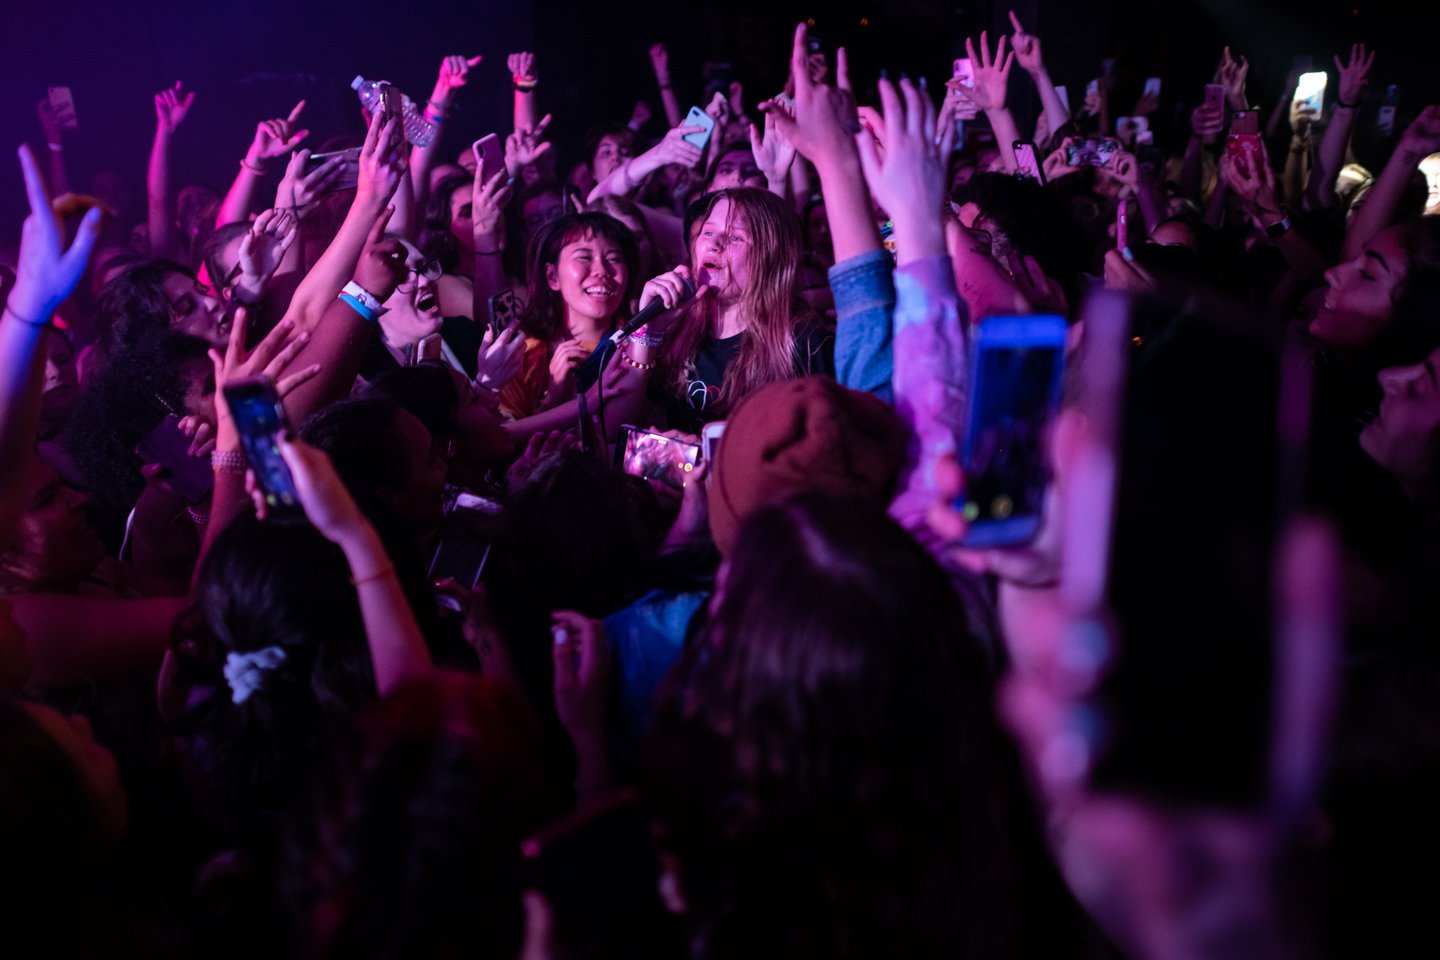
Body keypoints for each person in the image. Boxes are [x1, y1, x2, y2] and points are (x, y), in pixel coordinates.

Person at [642, 187, 833, 432]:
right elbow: (623, 421)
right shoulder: (676, 324)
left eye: (735, 238)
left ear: (771, 256)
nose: (713, 243)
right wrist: (648, 331)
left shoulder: (805, 339)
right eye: (708, 231)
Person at [500, 212, 639, 418]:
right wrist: (553, 399)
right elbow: (502, 442)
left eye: (614, 258)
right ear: (552, 276)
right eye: (584, 257)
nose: (602, 270)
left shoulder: (641, 345)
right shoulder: (522, 351)